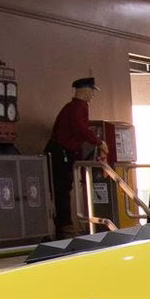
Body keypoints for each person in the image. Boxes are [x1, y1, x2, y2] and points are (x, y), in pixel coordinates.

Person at [46, 77, 105, 234]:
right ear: (84, 90)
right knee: (62, 189)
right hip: (62, 153)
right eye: (91, 91)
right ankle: (65, 226)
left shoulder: (71, 107)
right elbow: (80, 128)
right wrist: (99, 142)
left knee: (62, 189)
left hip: (61, 151)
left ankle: (64, 226)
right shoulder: (78, 107)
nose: (92, 94)